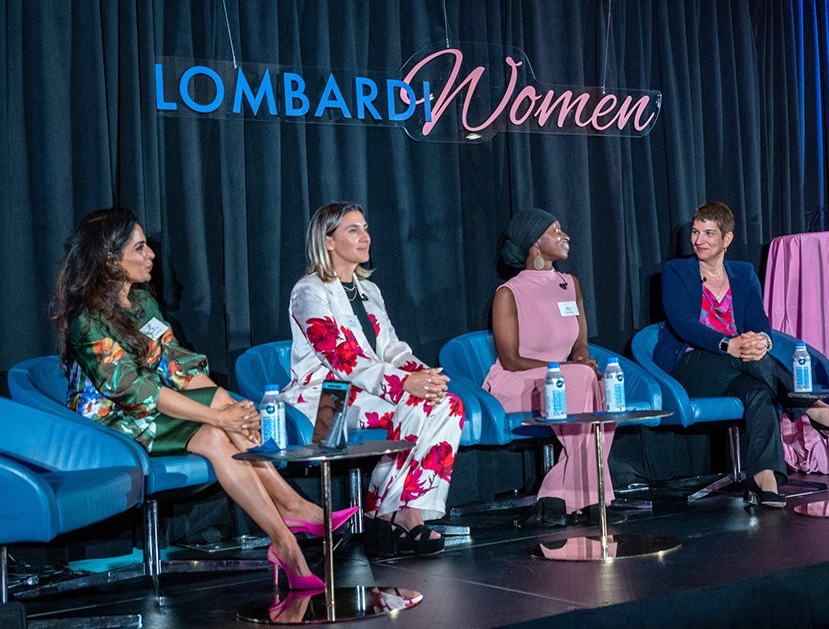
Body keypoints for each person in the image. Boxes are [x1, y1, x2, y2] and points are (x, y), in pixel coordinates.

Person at [51, 207, 327, 591]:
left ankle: (286, 538)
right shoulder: (87, 318)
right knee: (217, 430)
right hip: (109, 422)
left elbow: (177, 365)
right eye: (140, 248)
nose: (151, 256)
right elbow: (133, 389)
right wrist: (219, 418)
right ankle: (291, 518)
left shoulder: (143, 304)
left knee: (222, 426)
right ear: (111, 259)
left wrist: (228, 408)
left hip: (153, 412)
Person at [286, 202, 464, 556]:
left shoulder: (370, 291)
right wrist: (403, 385)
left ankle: (397, 507)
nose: (365, 237)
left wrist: (421, 374)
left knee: (448, 403)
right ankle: (394, 512)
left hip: (370, 392)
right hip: (327, 399)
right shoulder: (309, 291)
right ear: (329, 241)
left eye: (365, 228)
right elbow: (340, 357)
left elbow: (393, 350)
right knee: (415, 402)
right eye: (353, 230)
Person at [653, 201, 829, 508]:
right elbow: (684, 325)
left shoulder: (743, 273)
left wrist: (761, 339)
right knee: (749, 357)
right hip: (691, 365)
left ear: (727, 239)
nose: (699, 240)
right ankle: (809, 404)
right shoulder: (676, 271)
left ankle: (765, 478)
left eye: (708, 233)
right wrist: (727, 344)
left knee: (760, 392)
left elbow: (759, 320)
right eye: (695, 232)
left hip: (741, 366)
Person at [484, 208, 616, 528]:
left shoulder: (571, 284)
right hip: (517, 383)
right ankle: (589, 497)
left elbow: (581, 342)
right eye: (555, 230)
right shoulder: (508, 293)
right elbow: (512, 360)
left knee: (600, 385)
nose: (565, 235)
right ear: (535, 245)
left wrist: (582, 359)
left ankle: (557, 495)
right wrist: (569, 367)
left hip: (568, 380)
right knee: (584, 379)